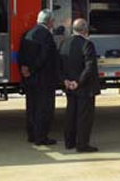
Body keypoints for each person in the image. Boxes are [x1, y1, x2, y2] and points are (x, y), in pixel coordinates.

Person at [18, 9, 60, 146]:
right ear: (49, 22)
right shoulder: (46, 35)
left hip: (30, 79)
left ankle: (31, 135)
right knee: (44, 109)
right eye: (53, 21)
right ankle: (41, 137)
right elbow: (44, 56)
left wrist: (24, 68)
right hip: (43, 79)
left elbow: (21, 54)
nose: (53, 23)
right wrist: (33, 69)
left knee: (31, 107)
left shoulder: (28, 33)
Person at [59, 19, 101, 153]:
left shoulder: (64, 43)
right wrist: (78, 82)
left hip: (69, 86)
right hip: (84, 87)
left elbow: (59, 64)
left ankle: (69, 142)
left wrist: (65, 80)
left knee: (70, 113)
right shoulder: (87, 44)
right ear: (85, 30)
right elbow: (90, 67)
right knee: (84, 116)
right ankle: (82, 144)